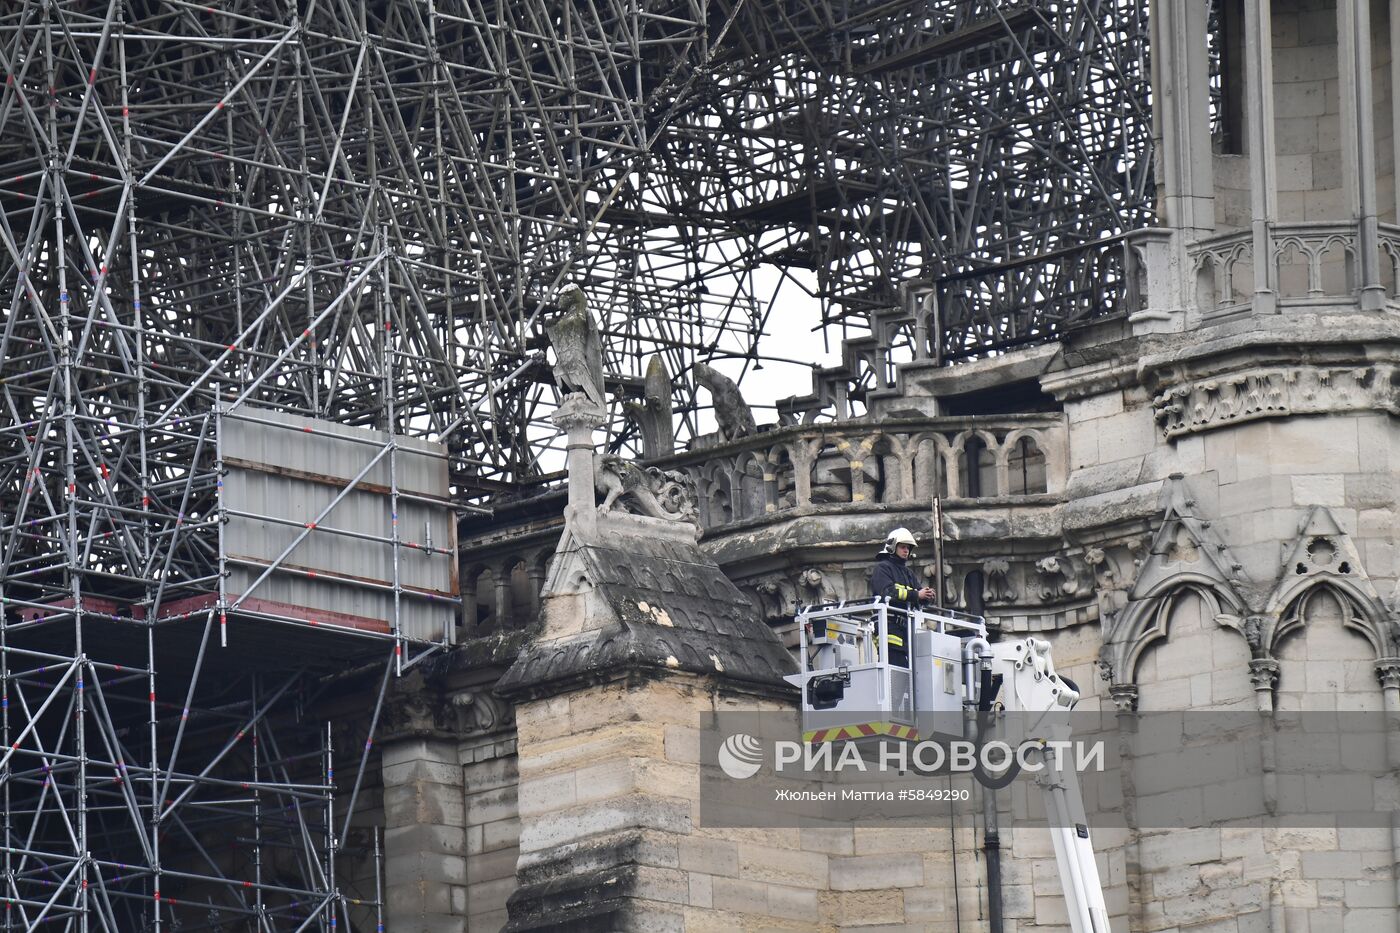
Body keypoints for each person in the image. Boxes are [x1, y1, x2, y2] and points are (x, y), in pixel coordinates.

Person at [870, 527, 936, 666]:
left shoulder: (908, 573)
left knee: (912, 671)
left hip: (907, 629)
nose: (906, 550)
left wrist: (927, 596)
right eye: (903, 547)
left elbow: (918, 595)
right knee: (896, 668)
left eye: (908, 548)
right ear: (892, 546)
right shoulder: (883, 568)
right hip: (889, 627)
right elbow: (888, 592)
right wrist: (917, 594)